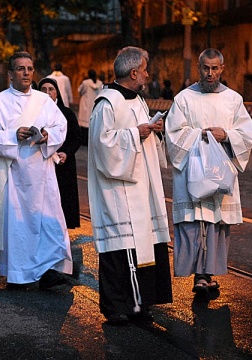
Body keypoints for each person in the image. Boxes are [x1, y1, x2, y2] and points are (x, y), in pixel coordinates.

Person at [0, 51, 73, 289]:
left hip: (42, 170)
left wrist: (47, 136)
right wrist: (12, 136)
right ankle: (18, 273)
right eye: (20, 69)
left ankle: (49, 270)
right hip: (15, 173)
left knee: (49, 222)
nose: (26, 73)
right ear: (10, 74)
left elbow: (61, 125)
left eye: (29, 68)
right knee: (18, 225)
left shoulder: (43, 100)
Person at [88, 46, 172, 325]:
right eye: (145, 69)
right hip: (117, 188)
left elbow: (140, 134)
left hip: (142, 185)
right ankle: (116, 306)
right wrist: (136, 133)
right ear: (134, 72)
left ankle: (142, 302)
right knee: (119, 246)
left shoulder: (138, 99)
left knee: (145, 242)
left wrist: (152, 131)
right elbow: (103, 145)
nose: (148, 74)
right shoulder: (107, 103)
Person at [165, 48, 252, 295]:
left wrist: (225, 135)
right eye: (206, 68)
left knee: (216, 223)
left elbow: (246, 135)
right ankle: (197, 275)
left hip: (219, 172)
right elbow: (173, 135)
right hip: (192, 171)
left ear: (222, 69)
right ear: (199, 67)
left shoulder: (233, 99)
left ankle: (207, 275)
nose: (210, 73)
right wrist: (201, 135)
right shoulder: (183, 99)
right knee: (195, 221)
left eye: (215, 68)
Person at [38, 77, 81, 229]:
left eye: (51, 89)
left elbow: (76, 137)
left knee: (64, 198)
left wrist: (66, 153)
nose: (47, 93)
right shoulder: (34, 113)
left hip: (64, 163)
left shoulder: (67, 113)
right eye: (43, 90)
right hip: (41, 163)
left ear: (57, 93)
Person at [77, 69, 103, 145]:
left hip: (86, 103)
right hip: (94, 104)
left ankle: (84, 141)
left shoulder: (85, 83)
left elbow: (80, 91)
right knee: (93, 123)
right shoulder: (100, 83)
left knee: (84, 124)